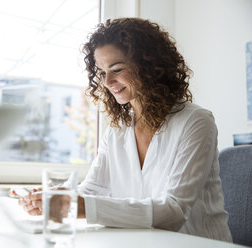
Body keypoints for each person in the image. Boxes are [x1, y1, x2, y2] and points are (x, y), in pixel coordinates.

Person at [18, 18, 232, 242]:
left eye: (116, 69)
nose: (108, 82)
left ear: (150, 66)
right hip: (142, 242)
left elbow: (174, 211)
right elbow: (94, 188)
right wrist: (56, 197)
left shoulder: (196, 122)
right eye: (101, 73)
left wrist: (78, 206)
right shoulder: (118, 129)